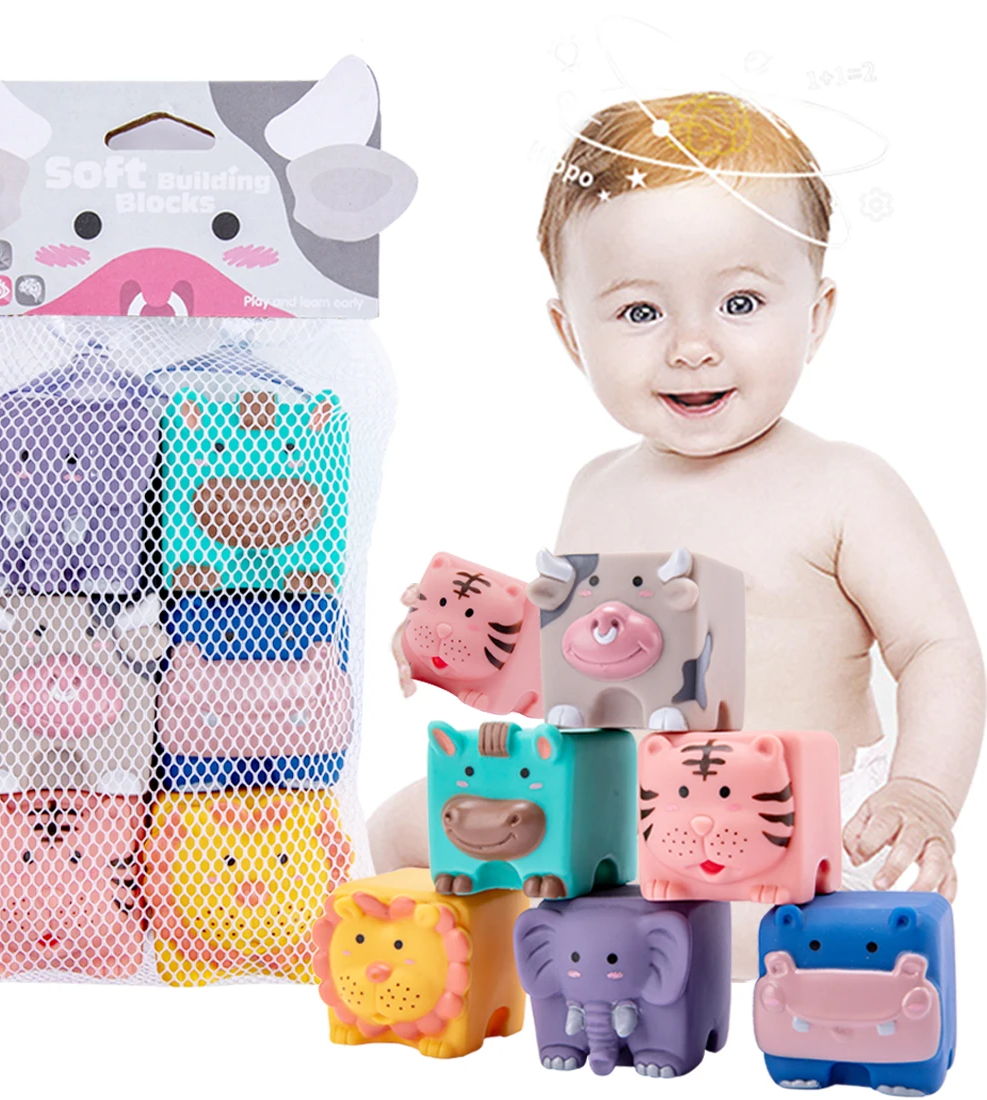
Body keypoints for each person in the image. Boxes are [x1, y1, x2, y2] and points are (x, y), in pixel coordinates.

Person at [367, 92, 984, 976]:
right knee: (401, 824)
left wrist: (920, 793)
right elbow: (568, 682)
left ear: (815, 315)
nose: (692, 346)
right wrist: (457, 645)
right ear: (571, 337)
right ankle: (538, 942)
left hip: (785, 823)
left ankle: (595, 942)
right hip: (624, 812)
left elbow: (936, 648)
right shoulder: (596, 488)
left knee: (746, 923)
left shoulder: (845, 486)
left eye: (741, 301)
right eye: (640, 313)